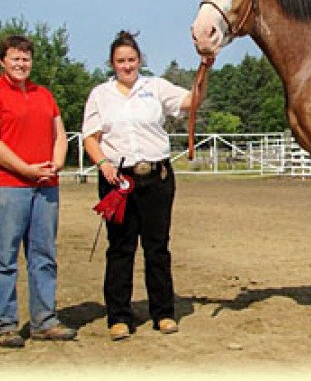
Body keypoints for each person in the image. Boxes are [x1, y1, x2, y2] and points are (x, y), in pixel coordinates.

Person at [82, 31, 192, 341]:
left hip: (156, 178)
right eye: (121, 61)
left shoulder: (155, 87)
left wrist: (204, 69)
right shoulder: (100, 95)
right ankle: (119, 316)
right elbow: (90, 136)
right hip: (118, 180)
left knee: (157, 248)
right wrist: (103, 164)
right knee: (120, 248)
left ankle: (164, 313)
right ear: (112, 63)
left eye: (131, 60)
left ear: (139, 61)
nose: (127, 66)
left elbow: (190, 100)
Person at [0, 35, 77, 348]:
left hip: (46, 188)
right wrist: (25, 168)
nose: (22, 64)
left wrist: (57, 162)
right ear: (3, 60)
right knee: (5, 257)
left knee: (44, 255)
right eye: (16, 58)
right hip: (10, 186)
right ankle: (5, 324)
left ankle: (44, 319)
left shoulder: (44, 95)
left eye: (26, 58)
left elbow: (59, 132)